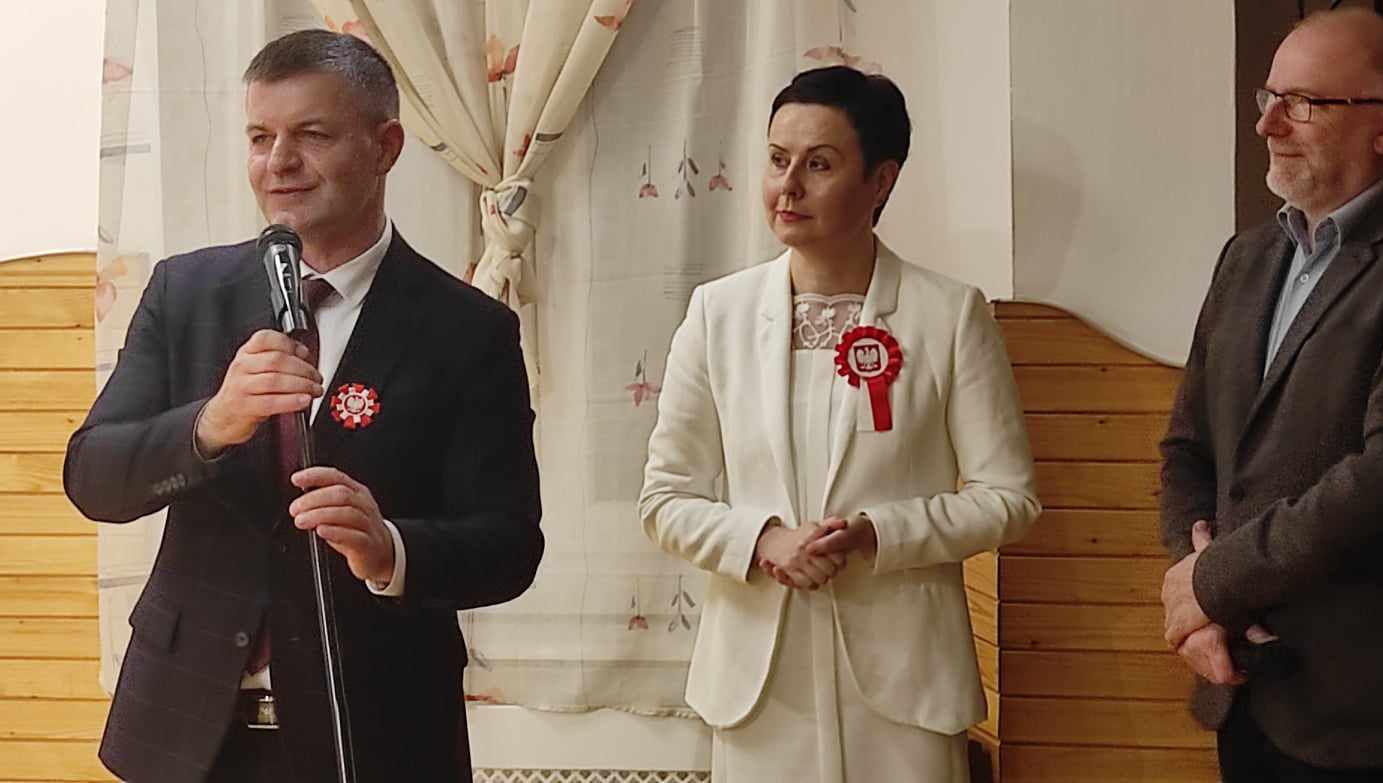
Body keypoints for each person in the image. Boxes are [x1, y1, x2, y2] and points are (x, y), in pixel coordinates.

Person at [63, 29, 542, 782]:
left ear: (385, 147)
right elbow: (92, 476)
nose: (278, 162)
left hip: (377, 736)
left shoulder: (466, 330)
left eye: (311, 135)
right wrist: (211, 424)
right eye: (261, 137)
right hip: (186, 736)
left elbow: (509, 544)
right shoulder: (186, 293)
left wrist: (391, 549)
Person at [639, 65, 1040, 781]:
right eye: (777, 159)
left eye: (819, 165)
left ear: (880, 180)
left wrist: (878, 532)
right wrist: (762, 539)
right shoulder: (717, 314)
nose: (787, 186)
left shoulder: (949, 315)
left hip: (907, 688)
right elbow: (665, 498)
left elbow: (1009, 498)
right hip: (759, 689)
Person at [1158, 9, 1383, 781]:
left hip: (1369, 709)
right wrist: (1200, 601)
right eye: (1269, 98)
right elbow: (1189, 446)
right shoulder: (1247, 256)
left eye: (1304, 103)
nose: (1268, 124)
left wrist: (1212, 584)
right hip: (1241, 686)